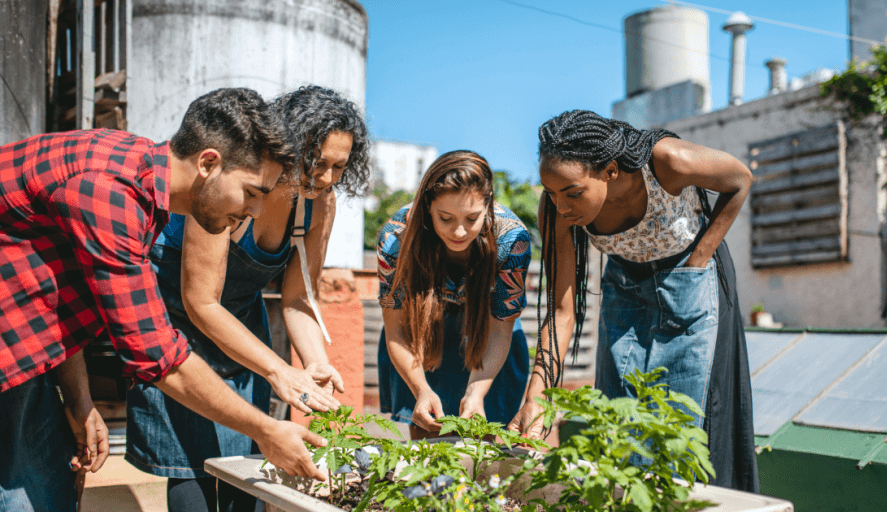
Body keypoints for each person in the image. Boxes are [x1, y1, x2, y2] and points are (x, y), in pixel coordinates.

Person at [0, 88, 330, 512]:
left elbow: (58, 298)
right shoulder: (110, 195)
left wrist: (80, 402)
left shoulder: (139, 175)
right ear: (209, 163)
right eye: (251, 191)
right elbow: (156, 356)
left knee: (50, 493)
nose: (253, 211)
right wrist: (267, 430)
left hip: (24, 350)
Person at [125, 86, 371, 512]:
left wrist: (312, 361)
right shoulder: (231, 191)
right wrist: (277, 369)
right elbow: (201, 301)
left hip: (243, 333)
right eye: (318, 162)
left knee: (251, 467)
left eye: (339, 167)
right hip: (179, 326)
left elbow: (297, 298)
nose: (328, 178)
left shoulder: (319, 206)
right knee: (192, 470)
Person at [507, 110, 759, 492]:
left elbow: (740, 179)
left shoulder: (669, 162)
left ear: (609, 170)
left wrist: (700, 257)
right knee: (619, 420)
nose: (561, 207)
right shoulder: (558, 209)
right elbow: (561, 313)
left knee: (689, 424)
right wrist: (536, 398)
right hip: (624, 286)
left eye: (573, 193)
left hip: (691, 280)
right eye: (552, 193)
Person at [376, 151, 531, 439]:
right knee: (429, 441)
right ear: (427, 208)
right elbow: (396, 329)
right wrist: (421, 390)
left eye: (472, 218)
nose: (459, 231)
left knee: (485, 448)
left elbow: (500, 329)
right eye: (445, 218)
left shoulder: (512, 240)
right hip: (423, 336)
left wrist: (475, 392)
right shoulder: (395, 239)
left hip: (490, 339)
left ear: (488, 206)